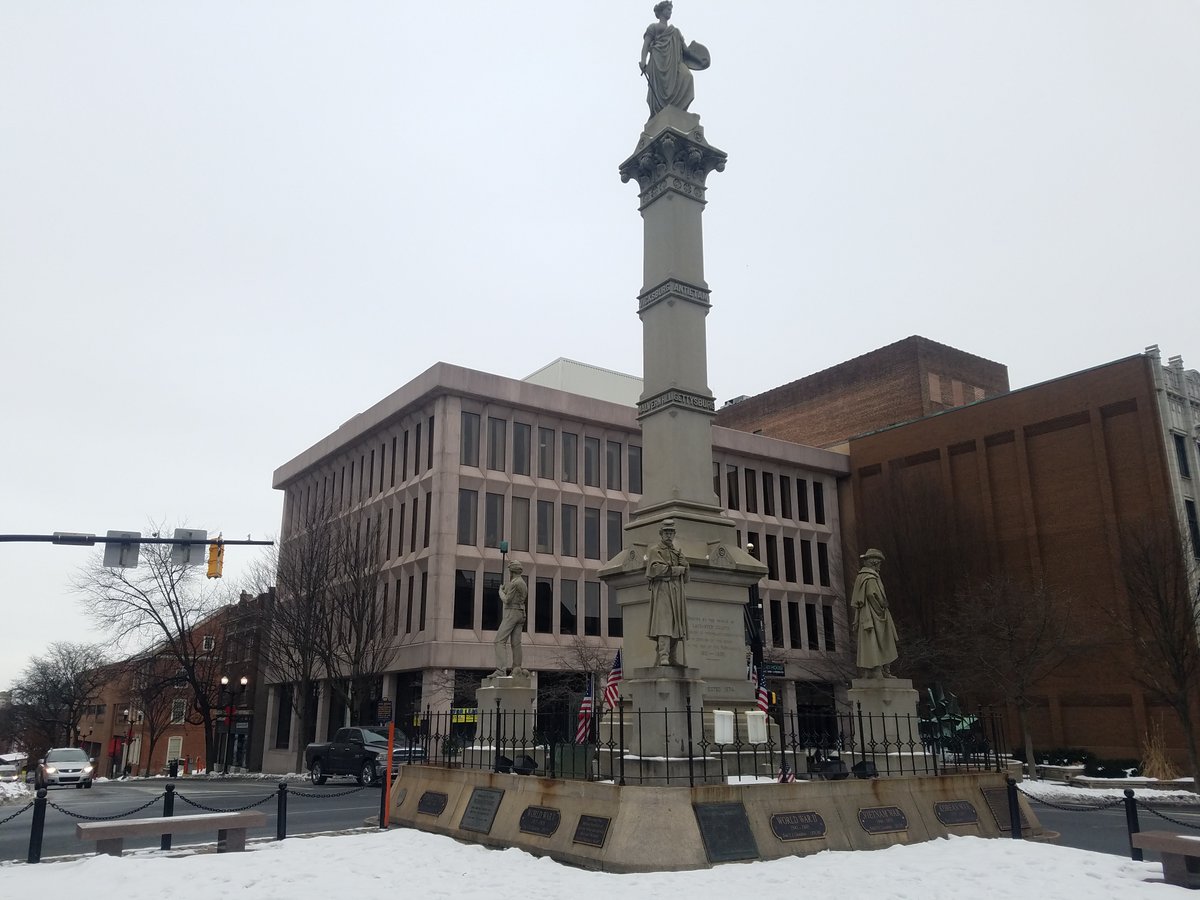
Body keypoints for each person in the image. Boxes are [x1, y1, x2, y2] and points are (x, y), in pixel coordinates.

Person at [639, 1, 710, 116]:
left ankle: (679, 111)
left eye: (671, 10)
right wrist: (643, 61)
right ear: (661, 11)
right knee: (660, 88)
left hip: (675, 63)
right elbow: (646, 45)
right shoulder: (653, 27)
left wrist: (699, 59)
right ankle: (660, 112)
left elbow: (686, 51)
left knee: (687, 77)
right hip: (658, 60)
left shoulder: (675, 31)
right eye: (668, 10)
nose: (670, 12)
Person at [851, 549, 899, 678]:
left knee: (872, 643)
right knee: (881, 641)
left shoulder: (861, 577)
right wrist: (882, 607)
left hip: (865, 615)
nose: (880, 566)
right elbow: (872, 595)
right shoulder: (870, 577)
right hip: (874, 615)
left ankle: (875, 670)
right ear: (874, 563)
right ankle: (879, 670)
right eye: (879, 563)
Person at [646, 519, 689, 665]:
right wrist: (677, 570)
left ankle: (672, 656)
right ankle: (663, 655)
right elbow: (655, 569)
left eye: (671, 532)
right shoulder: (655, 550)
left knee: (676, 624)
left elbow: (686, 577)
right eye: (666, 532)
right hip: (663, 590)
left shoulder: (677, 552)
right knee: (664, 623)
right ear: (661, 534)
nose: (669, 535)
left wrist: (685, 566)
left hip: (677, 591)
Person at [492, 560, 528, 677]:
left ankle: (500, 670)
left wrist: (500, 592)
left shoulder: (514, 583)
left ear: (511, 571)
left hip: (512, 612)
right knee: (516, 643)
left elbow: (507, 599)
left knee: (499, 641)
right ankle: (517, 668)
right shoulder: (522, 582)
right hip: (521, 613)